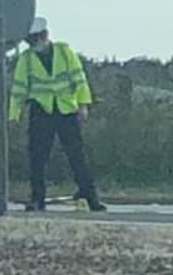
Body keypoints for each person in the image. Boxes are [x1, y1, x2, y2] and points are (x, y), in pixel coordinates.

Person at [10, 16, 104, 212]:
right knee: (37, 157)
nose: (34, 43)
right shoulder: (26, 60)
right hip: (41, 111)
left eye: (36, 38)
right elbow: (18, 89)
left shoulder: (64, 52)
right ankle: (37, 199)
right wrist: (14, 115)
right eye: (30, 40)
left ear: (45, 35)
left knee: (77, 156)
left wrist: (83, 104)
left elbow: (79, 79)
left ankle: (90, 196)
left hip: (66, 110)